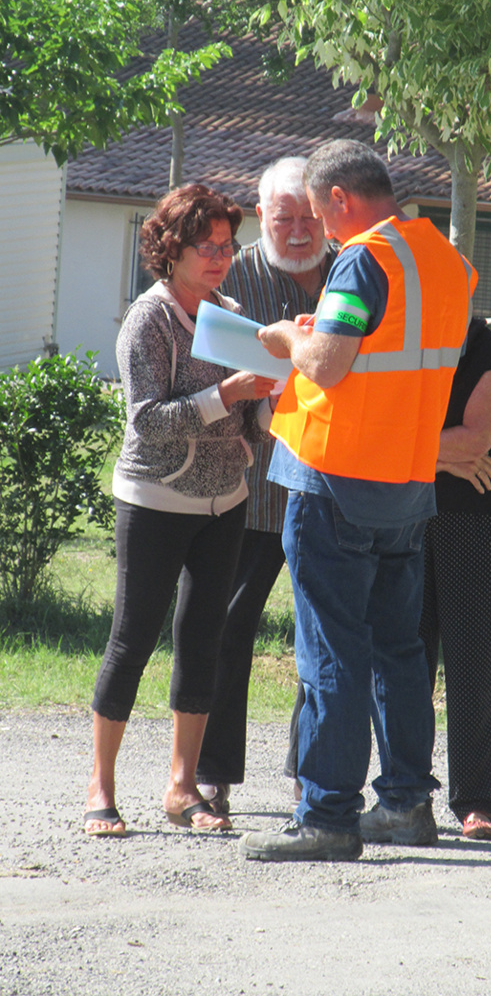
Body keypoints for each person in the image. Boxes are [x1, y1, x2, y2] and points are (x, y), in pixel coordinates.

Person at [238, 138, 476, 862]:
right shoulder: (444, 259)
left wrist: (287, 336)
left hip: (336, 480)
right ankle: (405, 803)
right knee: (397, 651)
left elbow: (332, 363)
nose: (320, 227)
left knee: (330, 650)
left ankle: (327, 815)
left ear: (338, 199)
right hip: (406, 481)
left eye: (319, 211)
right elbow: (393, 357)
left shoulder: (362, 256)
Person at [84, 183, 275, 837]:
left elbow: (251, 410)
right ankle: (100, 789)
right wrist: (227, 393)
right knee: (133, 639)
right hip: (155, 502)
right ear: (172, 248)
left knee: (205, 642)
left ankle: (180, 786)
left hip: (226, 505)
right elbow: (147, 421)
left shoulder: (229, 311)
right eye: (208, 245)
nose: (222, 256)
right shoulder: (151, 318)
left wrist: (271, 406)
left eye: (228, 244)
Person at [195, 157, 335, 814]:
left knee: (328, 634)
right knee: (225, 629)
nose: (300, 230)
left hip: (329, 487)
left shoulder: (350, 271)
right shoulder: (234, 277)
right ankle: (211, 773)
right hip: (249, 490)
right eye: (286, 218)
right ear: (260, 214)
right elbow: (203, 370)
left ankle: (313, 772)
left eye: (310, 216)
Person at [419, 317, 491, 840]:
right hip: (405, 514)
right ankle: (407, 792)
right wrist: (445, 459)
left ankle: (475, 801)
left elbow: (478, 437)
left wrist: (419, 455)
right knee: (403, 660)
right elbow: (370, 427)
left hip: (480, 518)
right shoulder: (392, 335)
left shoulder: (481, 344)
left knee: (474, 663)